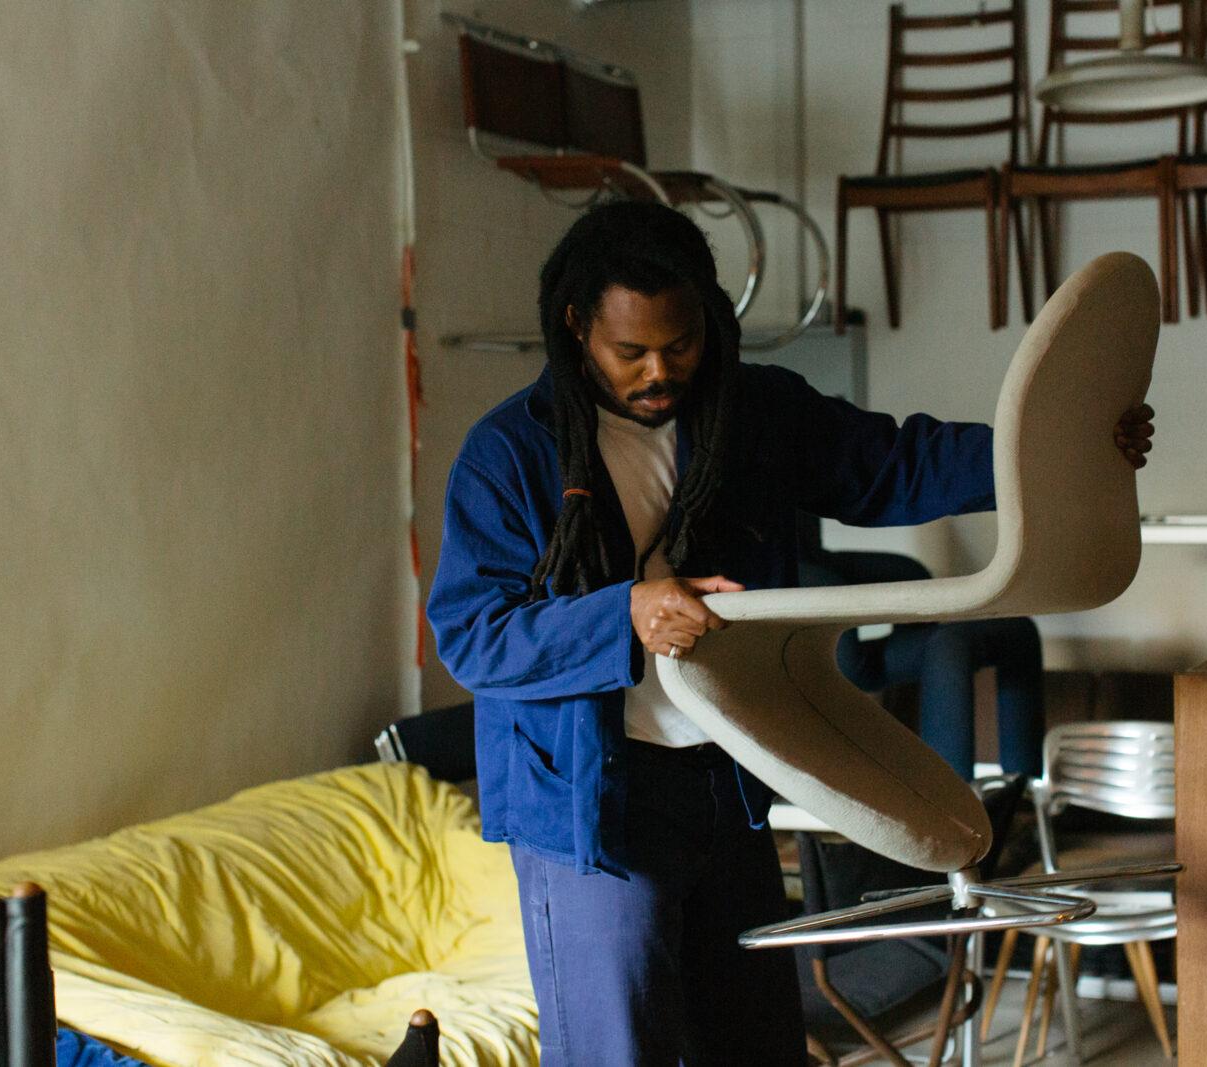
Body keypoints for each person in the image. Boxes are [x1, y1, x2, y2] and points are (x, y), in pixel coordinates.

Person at [426, 200, 1154, 1067]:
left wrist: (1058, 448)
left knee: (761, 1044)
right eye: (633, 352)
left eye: (682, 342)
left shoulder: (752, 411)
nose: (661, 369)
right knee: (620, 1052)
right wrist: (624, 611)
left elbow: (892, 465)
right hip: (590, 806)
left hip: (727, 778)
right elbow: (473, 634)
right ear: (578, 326)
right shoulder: (506, 453)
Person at [796, 516, 1045, 779]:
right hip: (794, 592)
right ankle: (951, 807)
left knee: (1015, 632)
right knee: (946, 645)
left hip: (816, 568)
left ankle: (1024, 791)